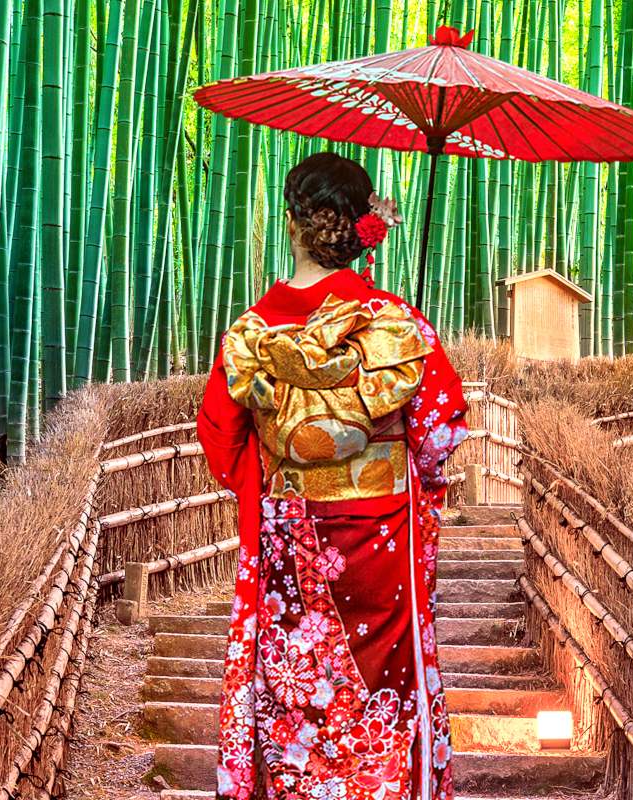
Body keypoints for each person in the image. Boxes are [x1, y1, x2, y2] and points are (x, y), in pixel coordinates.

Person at [195, 152, 467, 800]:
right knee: (386, 690)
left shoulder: (252, 333)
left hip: (291, 536)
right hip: (381, 543)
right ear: (361, 228)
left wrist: (290, 459)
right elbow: (439, 435)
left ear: (291, 224)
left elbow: (222, 440)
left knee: (294, 683)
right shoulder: (396, 325)